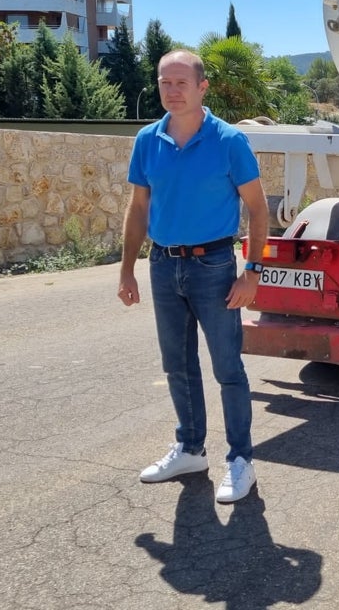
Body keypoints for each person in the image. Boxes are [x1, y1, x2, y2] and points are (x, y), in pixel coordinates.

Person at [118, 50, 269, 504]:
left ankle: (240, 461)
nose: (173, 91)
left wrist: (252, 272)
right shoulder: (148, 139)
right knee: (177, 366)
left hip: (214, 267)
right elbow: (139, 207)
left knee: (228, 368)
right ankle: (189, 448)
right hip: (164, 264)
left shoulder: (229, 141)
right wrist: (127, 268)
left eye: (182, 82)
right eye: (166, 82)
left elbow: (258, 210)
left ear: (203, 87)